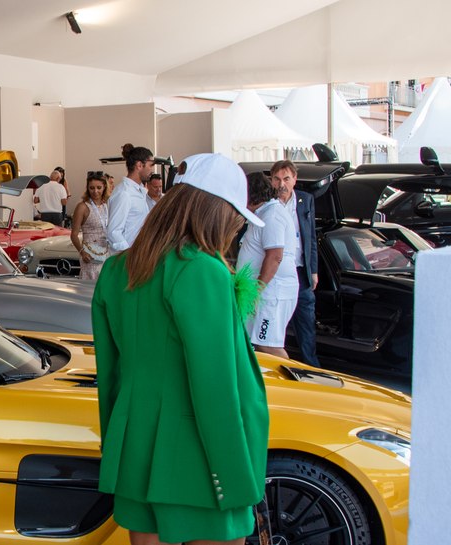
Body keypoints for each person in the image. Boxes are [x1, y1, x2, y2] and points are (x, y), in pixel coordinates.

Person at [92, 152, 268, 545]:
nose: (238, 227)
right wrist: (236, 475)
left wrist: (116, 445)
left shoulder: (117, 269)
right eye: (236, 216)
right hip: (200, 457)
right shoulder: (201, 270)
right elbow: (217, 387)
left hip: (137, 447)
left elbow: (111, 375)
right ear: (216, 211)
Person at [237, 171, 299, 359]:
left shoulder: (272, 215)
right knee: (256, 343)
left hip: (272, 293)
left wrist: (258, 289)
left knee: (268, 346)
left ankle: (289, 385)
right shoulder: (263, 213)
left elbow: (275, 256)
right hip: (263, 293)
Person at [273, 160, 321, 367]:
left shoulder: (305, 200)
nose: (281, 184)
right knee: (276, 323)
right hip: (275, 271)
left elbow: (310, 237)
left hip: (300, 271)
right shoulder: (267, 203)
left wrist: (314, 270)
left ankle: (311, 367)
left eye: (286, 179)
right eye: (276, 179)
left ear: (295, 180)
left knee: (306, 323)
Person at [106, 143, 154, 253]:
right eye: (151, 165)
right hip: (128, 261)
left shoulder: (139, 191)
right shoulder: (124, 193)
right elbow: (114, 232)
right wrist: (129, 256)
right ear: (139, 165)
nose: (152, 170)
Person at [70, 171, 111, 280]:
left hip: (106, 253)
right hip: (90, 255)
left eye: (99, 187)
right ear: (87, 188)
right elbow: (74, 234)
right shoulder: (82, 207)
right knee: (90, 287)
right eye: (92, 188)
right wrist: (82, 252)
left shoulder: (106, 205)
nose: (95, 191)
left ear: (104, 187)